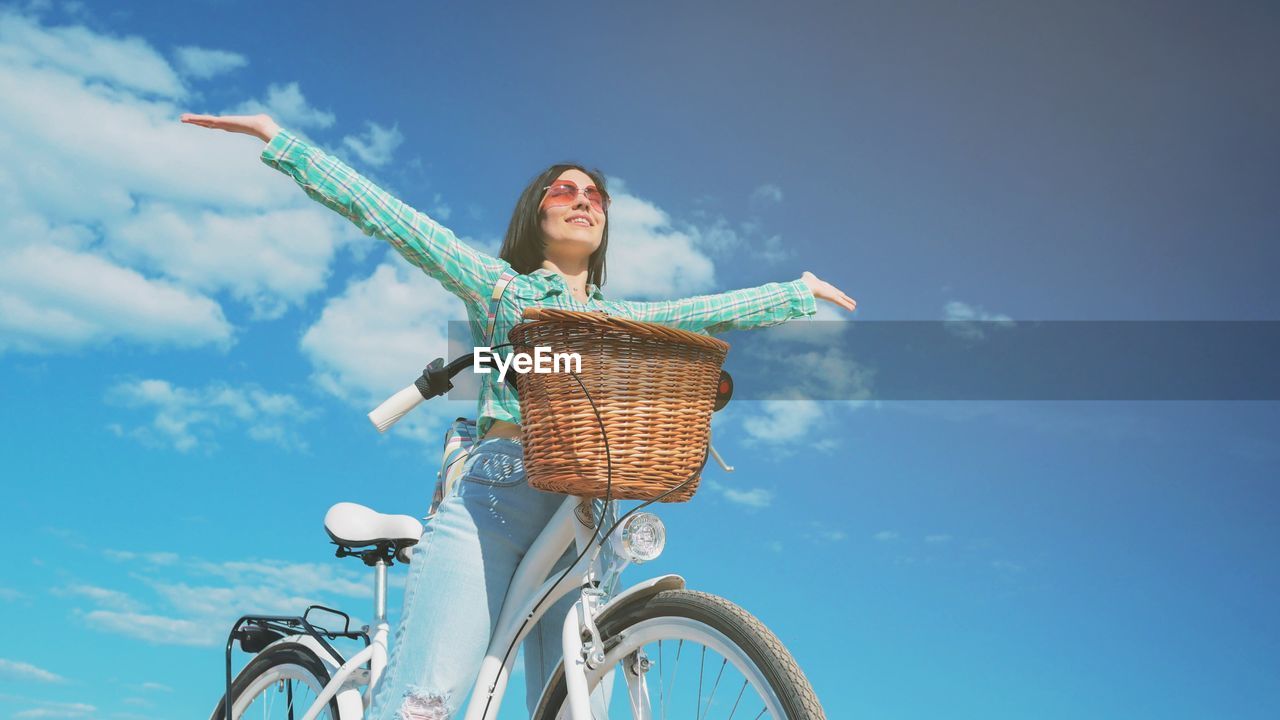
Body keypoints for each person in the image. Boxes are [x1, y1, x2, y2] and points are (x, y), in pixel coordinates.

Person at [180, 111, 856, 719]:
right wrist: (282, 141)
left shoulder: (620, 317)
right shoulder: (501, 287)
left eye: (595, 196)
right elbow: (396, 220)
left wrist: (795, 293)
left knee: (573, 702)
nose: (583, 202)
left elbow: (699, 313)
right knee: (428, 703)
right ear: (537, 212)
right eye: (565, 191)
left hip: (584, 514)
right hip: (495, 502)